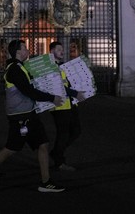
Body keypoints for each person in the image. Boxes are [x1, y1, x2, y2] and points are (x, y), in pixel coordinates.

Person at [0, 39, 66, 193]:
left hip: (28, 114)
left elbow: (30, 87)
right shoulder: (15, 69)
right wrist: (52, 98)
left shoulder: (19, 67)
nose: (28, 50)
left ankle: (46, 181)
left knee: (43, 144)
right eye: (25, 48)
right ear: (17, 52)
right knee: (11, 148)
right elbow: (28, 91)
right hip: (20, 116)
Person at [49, 41, 86, 172]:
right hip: (59, 106)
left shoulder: (61, 66)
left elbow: (67, 83)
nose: (62, 51)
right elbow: (58, 86)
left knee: (76, 131)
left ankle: (56, 152)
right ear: (51, 51)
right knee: (63, 134)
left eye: (62, 49)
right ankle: (59, 161)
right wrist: (75, 93)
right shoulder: (50, 67)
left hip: (69, 103)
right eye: (59, 49)